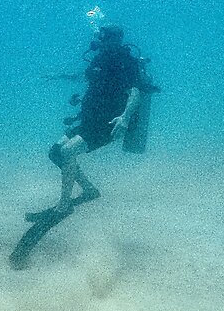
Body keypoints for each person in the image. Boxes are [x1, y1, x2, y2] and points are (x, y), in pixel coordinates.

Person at [45, 24, 157, 213]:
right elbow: (86, 80)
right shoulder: (99, 60)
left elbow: (135, 93)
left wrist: (124, 117)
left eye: (103, 38)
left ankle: (64, 206)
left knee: (68, 151)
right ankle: (89, 190)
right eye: (100, 38)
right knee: (55, 153)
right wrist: (59, 77)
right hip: (90, 120)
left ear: (115, 40)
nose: (99, 42)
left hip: (111, 123)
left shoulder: (125, 62)